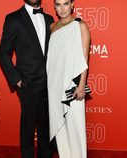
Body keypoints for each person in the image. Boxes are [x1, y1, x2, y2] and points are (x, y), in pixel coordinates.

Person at [0, 0, 54, 158]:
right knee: (28, 129)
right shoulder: (14, 19)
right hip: (28, 84)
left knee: (47, 128)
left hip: (49, 83)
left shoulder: (49, 19)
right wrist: (17, 80)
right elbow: (4, 53)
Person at [46, 0, 91, 158]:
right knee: (60, 128)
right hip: (54, 84)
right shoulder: (52, 28)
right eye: (58, 4)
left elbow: (84, 58)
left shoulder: (81, 26)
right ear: (55, 7)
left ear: (72, 5)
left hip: (72, 84)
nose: (62, 8)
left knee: (75, 126)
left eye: (66, 4)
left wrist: (81, 85)